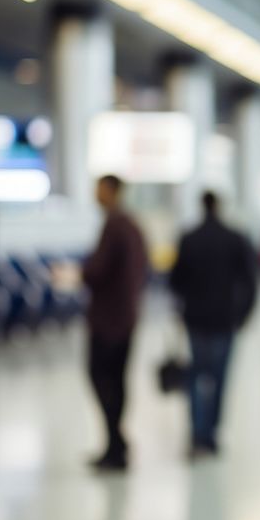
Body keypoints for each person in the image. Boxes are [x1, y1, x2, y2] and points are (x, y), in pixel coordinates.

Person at [169, 192, 257, 457]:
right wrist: (243, 315)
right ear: (218, 206)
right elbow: (250, 281)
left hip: (196, 320)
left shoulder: (189, 238)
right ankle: (212, 435)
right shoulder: (234, 238)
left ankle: (197, 434)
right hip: (224, 319)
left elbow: (175, 282)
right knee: (219, 378)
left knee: (196, 376)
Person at [82, 175, 148, 471]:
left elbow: (97, 270)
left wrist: (81, 273)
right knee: (116, 380)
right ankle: (115, 442)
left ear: (112, 191)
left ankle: (115, 442)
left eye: (99, 189)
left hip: (109, 320)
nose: (95, 195)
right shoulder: (131, 225)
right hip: (126, 316)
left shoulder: (115, 225)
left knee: (103, 377)